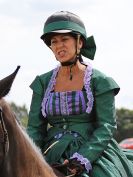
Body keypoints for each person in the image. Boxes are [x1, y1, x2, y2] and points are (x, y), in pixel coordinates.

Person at [27, 11, 133, 177]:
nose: (58, 45)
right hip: (51, 149)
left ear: (80, 42)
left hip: (92, 150)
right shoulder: (42, 82)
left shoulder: (100, 81)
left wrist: (83, 158)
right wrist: (32, 155)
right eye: (54, 42)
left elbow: (106, 127)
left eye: (64, 39)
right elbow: (34, 129)